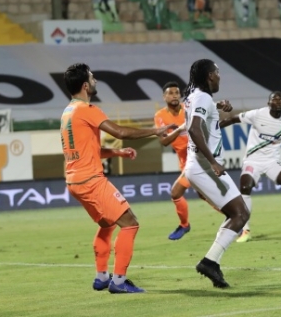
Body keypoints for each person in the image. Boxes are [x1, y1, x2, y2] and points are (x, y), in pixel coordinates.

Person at [61, 63, 177, 293]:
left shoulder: (68, 112)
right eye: (92, 77)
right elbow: (121, 132)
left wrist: (117, 152)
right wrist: (155, 130)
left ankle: (101, 277)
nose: (95, 80)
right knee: (130, 224)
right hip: (90, 180)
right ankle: (119, 282)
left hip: (74, 181)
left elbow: (84, 150)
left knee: (107, 224)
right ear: (85, 86)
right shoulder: (87, 109)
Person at [183, 59, 249, 289]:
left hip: (198, 166)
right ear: (210, 75)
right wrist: (213, 162)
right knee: (240, 213)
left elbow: (206, 126)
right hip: (203, 167)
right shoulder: (202, 98)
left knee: (236, 214)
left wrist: (215, 107)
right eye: (217, 72)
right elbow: (194, 129)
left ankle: (212, 262)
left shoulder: (196, 97)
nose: (220, 76)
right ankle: (209, 262)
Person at [220, 91, 281, 242]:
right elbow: (233, 119)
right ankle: (245, 230)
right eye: (274, 99)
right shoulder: (257, 114)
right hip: (252, 161)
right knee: (245, 187)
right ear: (269, 103)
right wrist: (214, 128)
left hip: (272, 162)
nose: (278, 102)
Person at [154, 81, 194, 241]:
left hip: (198, 158)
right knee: (205, 195)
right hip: (185, 162)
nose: (175, 96)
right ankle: (236, 220)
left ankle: (184, 225)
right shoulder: (160, 116)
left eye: (177, 93)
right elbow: (164, 141)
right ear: (164, 97)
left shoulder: (189, 109)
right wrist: (180, 128)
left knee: (176, 193)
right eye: (170, 93)